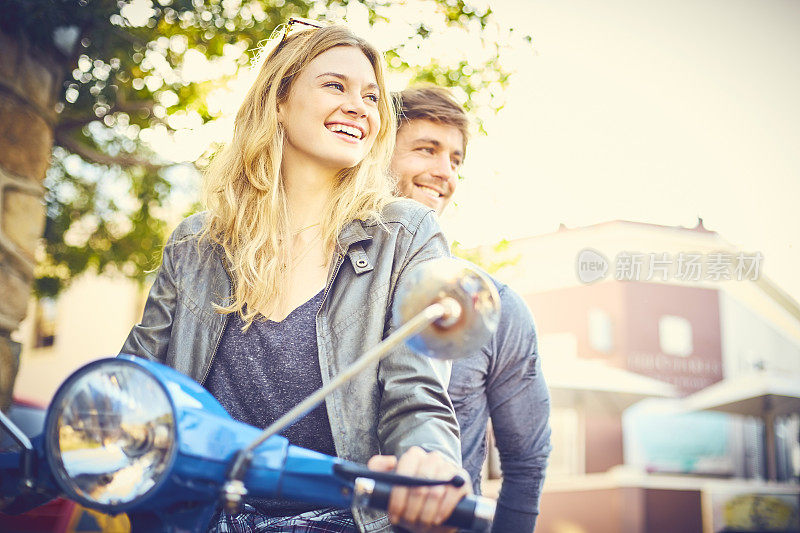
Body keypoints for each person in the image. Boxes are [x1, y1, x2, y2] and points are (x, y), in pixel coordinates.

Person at [121, 23, 469, 533]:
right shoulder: (194, 244)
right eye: (335, 86)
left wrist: (429, 457)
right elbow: (134, 383)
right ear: (278, 101)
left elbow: (417, 392)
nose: (360, 107)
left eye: (371, 96)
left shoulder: (406, 234)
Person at [390, 86, 552, 532]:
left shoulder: (494, 307)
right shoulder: (317, 288)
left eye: (456, 159)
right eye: (427, 149)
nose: (445, 173)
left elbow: (526, 462)